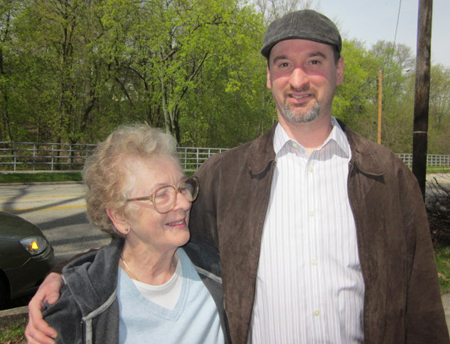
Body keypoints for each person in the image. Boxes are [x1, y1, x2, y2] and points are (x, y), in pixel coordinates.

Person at [26, 9, 449, 344]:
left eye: (314, 62)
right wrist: (65, 275)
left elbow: (424, 303)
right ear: (269, 78)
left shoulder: (387, 175)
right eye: (284, 64)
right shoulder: (224, 177)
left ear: (338, 71)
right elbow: (148, 229)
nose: (297, 79)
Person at [27, 124, 230, 344]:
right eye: (161, 194)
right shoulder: (79, 309)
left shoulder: (217, 271)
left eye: (182, 187)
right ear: (120, 217)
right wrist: (61, 276)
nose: (183, 203)